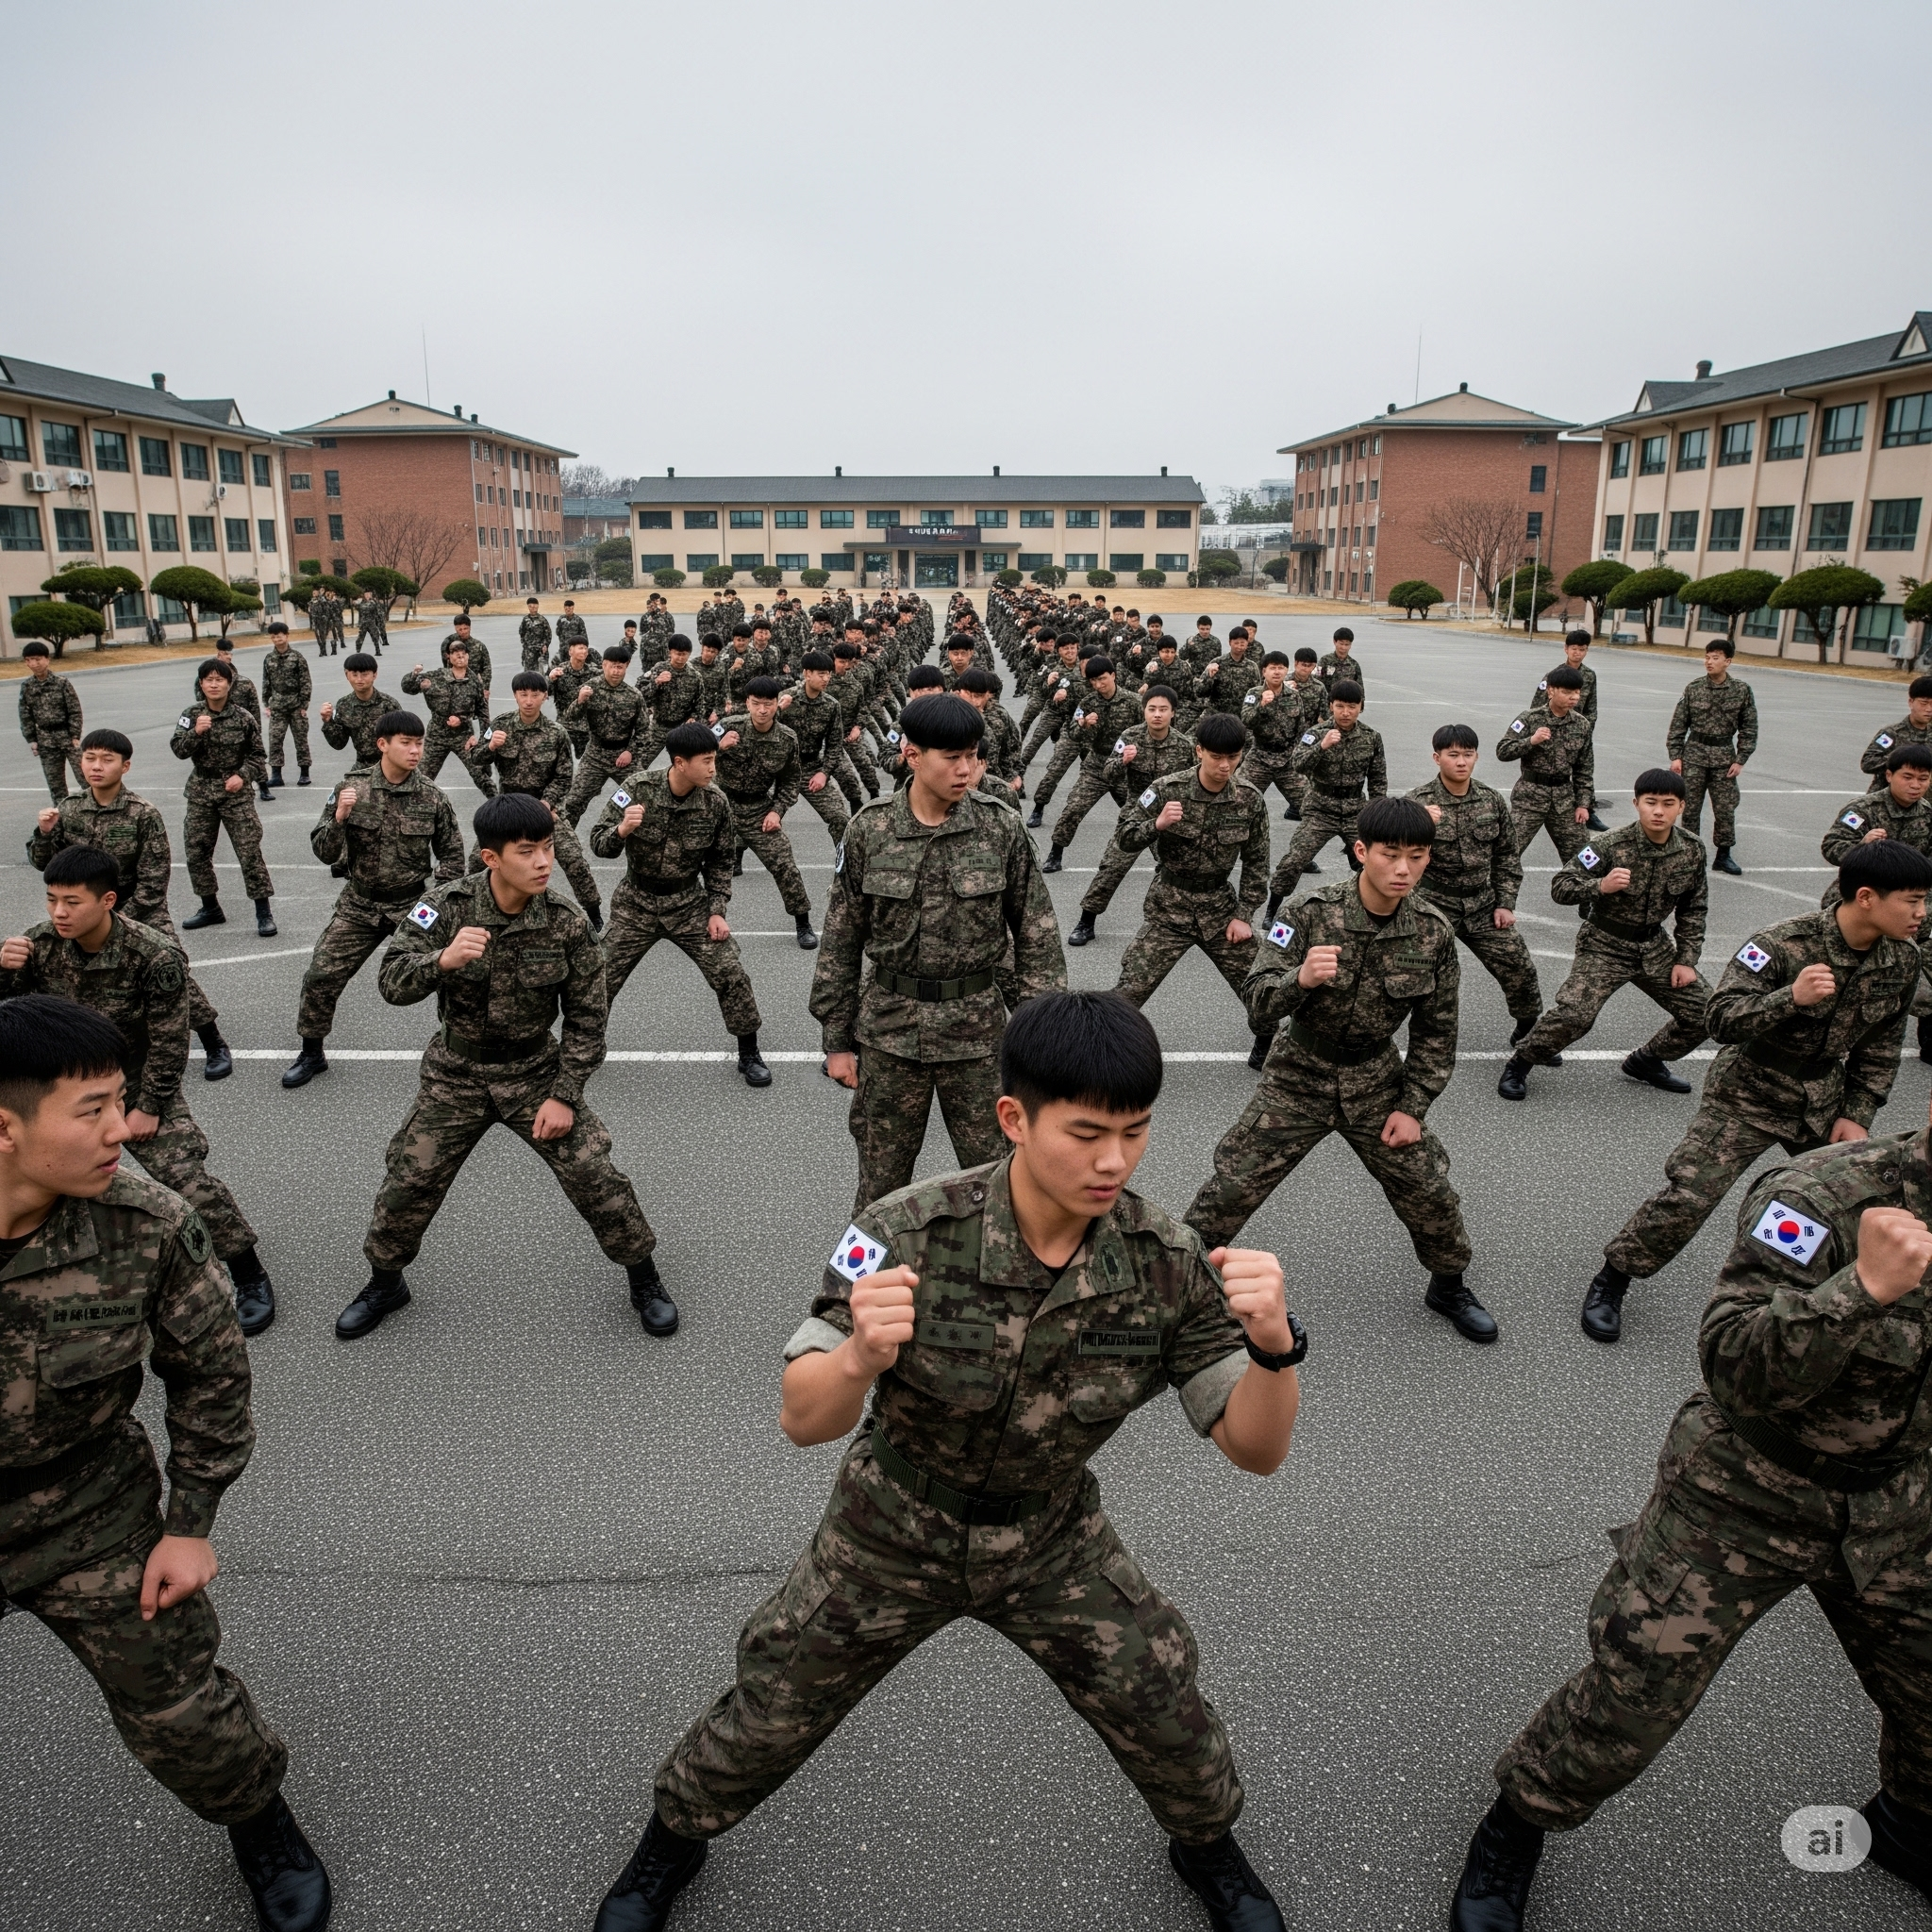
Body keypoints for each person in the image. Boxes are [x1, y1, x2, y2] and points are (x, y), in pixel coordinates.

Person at [593, 991, 1303, 1932]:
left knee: (1162, 1703)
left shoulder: (1163, 1259)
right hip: (891, 1523)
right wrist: (856, 1358)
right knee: (770, 1705)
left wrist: (1272, 1347)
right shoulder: (897, 1230)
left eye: (1133, 1133)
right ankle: (673, 1836)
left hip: (1049, 1533)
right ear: (1012, 1117)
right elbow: (802, 1417)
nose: (1111, 1161)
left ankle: (1204, 1843)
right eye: (1085, 1132)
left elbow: (1253, 1448)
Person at [1452, 1110, 1932, 1930]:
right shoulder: (1824, 1195)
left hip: (1897, 1505)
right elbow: (1732, 1361)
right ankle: (1517, 1822)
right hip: (1746, 1493)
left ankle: (1908, 1828)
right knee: (1632, 1695)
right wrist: (1863, 1290)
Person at [0, 995, 331, 1929]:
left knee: (183, 1710)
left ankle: (256, 1819)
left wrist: (189, 1523)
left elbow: (213, 1374)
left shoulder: (145, 1221)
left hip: (87, 1512)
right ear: (7, 1128)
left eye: (120, 1101)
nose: (122, 1126)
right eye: (92, 1109)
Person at [337, 793, 674, 1341]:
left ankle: (644, 1276)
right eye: (528, 852)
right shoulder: (442, 908)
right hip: (455, 1076)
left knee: (596, 1176)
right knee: (408, 1175)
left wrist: (564, 1094)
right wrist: (440, 961)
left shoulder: (565, 922)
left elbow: (589, 1020)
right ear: (492, 859)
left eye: (547, 848)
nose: (544, 862)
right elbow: (389, 981)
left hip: (536, 1075)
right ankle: (385, 1280)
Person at [1583, 839, 1930, 1344]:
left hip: (1822, 1098)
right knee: (1691, 1195)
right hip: (1747, 1092)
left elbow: (1881, 1046)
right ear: (1866, 897)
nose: (1922, 913)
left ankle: (1832, 1307)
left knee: (1852, 1205)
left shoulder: (1902, 959)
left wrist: (1858, 1111)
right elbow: (1719, 1018)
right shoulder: (1782, 944)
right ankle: (1614, 1276)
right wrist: (1788, 997)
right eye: (1913, 900)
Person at [1186, 796, 1497, 1343]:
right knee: (1229, 1187)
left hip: (1376, 1079)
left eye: (1417, 856)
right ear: (1360, 852)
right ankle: (1177, 1287)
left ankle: (1448, 1284)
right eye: (1390, 854)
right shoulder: (1306, 914)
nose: (1403, 869)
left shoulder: (1432, 933)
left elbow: (1436, 1034)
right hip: (1298, 1074)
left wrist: (1412, 1106)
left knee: (1429, 1191)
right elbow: (1258, 1000)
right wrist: (1298, 981)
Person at [812, 693, 1066, 1214]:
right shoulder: (869, 828)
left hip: (976, 1036)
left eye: (972, 755)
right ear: (912, 755)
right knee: (879, 1188)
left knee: (1001, 1182)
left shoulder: (1000, 827)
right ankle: (857, 1290)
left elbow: (1037, 937)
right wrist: (835, 1040)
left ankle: (1003, 1289)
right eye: (952, 757)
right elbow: (842, 938)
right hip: (888, 1035)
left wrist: (1042, 1039)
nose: (966, 769)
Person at [2, 847, 273, 1329]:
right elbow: (12, 1023)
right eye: (51, 900)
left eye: (72, 902)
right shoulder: (37, 945)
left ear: (107, 901)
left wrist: (148, 1106)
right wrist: (2, 972)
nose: (59, 913)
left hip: (135, 1078)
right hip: (57, 1084)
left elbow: (171, 1037)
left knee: (184, 1177)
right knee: (33, 1175)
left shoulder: (153, 954)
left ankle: (247, 1270)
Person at [1496, 770, 1709, 1108]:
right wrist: (1600, 886)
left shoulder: (1692, 850)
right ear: (1636, 802)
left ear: (1681, 806)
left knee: (1707, 1013)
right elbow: (1561, 885)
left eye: (1668, 804)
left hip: (1655, 947)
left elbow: (1694, 908)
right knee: (1575, 1015)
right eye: (1650, 802)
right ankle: (1520, 1064)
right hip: (1605, 943)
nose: (1658, 811)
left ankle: (1647, 1061)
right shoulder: (1609, 845)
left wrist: (1686, 960)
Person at [29, 727, 231, 1078]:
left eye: (107, 760)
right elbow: (46, 863)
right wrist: (44, 834)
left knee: (172, 969)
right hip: (85, 908)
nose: (96, 766)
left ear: (125, 767)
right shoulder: (69, 809)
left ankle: (213, 1041)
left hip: (139, 908)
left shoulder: (142, 813)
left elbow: (155, 878)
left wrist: (118, 920)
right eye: (90, 758)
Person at [281, 709, 465, 1092]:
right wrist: (340, 817)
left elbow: (451, 856)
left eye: (419, 744)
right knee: (321, 974)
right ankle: (311, 1052)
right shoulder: (351, 788)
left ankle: (459, 1056)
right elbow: (324, 852)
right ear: (382, 745)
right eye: (406, 743)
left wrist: (438, 906)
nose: (415, 751)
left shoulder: (431, 797)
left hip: (413, 905)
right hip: (359, 904)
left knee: (455, 976)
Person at [590, 724, 769, 1088]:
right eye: (706, 761)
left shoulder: (715, 802)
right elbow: (598, 843)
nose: (713, 769)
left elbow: (720, 861)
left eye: (714, 760)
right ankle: (584, 1047)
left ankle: (748, 1052)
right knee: (597, 978)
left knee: (730, 972)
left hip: (689, 904)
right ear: (679, 762)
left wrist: (717, 910)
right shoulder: (636, 789)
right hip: (635, 906)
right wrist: (622, 831)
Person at [1109, 712, 1275, 1066]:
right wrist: (1156, 825)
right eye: (1217, 757)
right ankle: (1103, 1054)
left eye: (1233, 757)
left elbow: (1258, 862)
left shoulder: (1249, 799)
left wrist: (1244, 916)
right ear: (1199, 751)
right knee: (1129, 991)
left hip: (1221, 911)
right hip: (1170, 909)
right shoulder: (1166, 789)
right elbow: (1123, 838)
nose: (1226, 766)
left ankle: (1267, 1041)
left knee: (1263, 991)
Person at [1410, 724, 1542, 1049]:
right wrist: (1419, 827)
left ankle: (1528, 1031)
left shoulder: (1491, 800)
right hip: (1432, 904)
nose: (1461, 762)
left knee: (1519, 968)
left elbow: (1507, 856)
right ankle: (1421, 1040)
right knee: (1418, 976)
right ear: (1436, 758)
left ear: (1476, 757)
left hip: (1482, 903)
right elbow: (1394, 858)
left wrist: (1505, 903)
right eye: (1453, 755)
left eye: (1467, 755)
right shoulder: (1417, 803)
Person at [1820, 743, 1932, 1060]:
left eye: (1922, 779)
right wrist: (1860, 847)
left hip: (1908, 907)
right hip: (1860, 906)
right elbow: (1831, 846)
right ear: (1888, 775)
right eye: (1907, 777)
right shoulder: (1864, 810)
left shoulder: (1928, 816)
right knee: (1843, 971)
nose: (1914, 785)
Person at [1067, 686, 1197, 947]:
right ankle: (1086, 921)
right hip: (1135, 812)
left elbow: (1193, 783)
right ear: (1144, 711)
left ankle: (1180, 922)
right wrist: (1122, 762)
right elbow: (1107, 774)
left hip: (1169, 814)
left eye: (1163, 710)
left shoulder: (1184, 746)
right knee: (1113, 866)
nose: (1157, 715)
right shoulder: (1129, 736)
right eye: (1152, 709)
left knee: (1179, 868)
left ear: (1173, 713)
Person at [481, 671, 602, 926]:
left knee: (575, 862)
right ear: (515, 695)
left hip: (545, 807)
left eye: (535, 695)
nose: (528, 700)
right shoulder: (499, 726)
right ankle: (473, 912)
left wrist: (546, 803)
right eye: (523, 694)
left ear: (544, 697)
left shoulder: (556, 733)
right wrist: (490, 747)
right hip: (509, 808)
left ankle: (594, 915)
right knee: (479, 860)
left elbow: (563, 777)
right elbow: (476, 759)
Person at [171, 659, 275, 937]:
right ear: (201, 684)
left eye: (220, 679)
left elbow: (258, 757)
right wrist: (196, 732)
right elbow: (179, 750)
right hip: (201, 791)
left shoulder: (243, 717)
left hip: (235, 794)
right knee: (197, 851)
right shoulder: (191, 714)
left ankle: (263, 912)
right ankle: (210, 908)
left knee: (249, 851)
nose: (214, 684)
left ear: (229, 684)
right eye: (209, 680)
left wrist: (242, 775)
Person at [712, 677, 819, 949]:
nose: (762, 710)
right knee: (685, 861)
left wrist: (777, 811)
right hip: (718, 804)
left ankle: (802, 922)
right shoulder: (727, 726)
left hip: (758, 807)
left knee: (784, 863)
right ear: (747, 703)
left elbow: (790, 781)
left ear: (776, 705)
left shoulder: (786, 738)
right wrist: (718, 748)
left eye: (768, 704)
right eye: (756, 704)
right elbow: (690, 755)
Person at [1265, 678, 1383, 916]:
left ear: (1361, 706)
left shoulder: (1371, 737)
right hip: (1320, 810)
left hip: (1355, 812)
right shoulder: (1317, 733)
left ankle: (1372, 911)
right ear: (1330, 705)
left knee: (1374, 863)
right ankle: (1272, 911)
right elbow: (1297, 765)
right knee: (1293, 862)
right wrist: (1322, 746)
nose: (1346, 712)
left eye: (1352, 706)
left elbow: (1378, 780)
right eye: (1340, 706)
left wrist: (1377, 815)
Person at [1041, 657, 1145, 872]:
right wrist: (1083, 724)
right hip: (1096, 767)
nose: (1098, 685)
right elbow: (1071, 732)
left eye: (1102, 679)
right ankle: (1055, 854)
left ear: (1113, 675)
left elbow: (1145, 733)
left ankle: (1163, 861)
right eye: (1093, 681)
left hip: (1124, 769)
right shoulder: (1088, 703)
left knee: (1142, 814)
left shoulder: (1134, 701)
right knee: (1073, 809)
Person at [1668, 638, 1757, 874]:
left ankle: (1724, 855)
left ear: (1727, 661)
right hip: (1694, 755)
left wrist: (1741, 759)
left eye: (1715, 658)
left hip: (1724, 759)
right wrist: (1676, 756)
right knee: (1690, 809)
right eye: (1707, 657)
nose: (1709, 662)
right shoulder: (1694, 688)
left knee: (1726, 808)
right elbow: (1678, 724)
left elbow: (1749, 727)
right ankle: (1689, 856)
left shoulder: (1741, 691)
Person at [1495, 665, 1594, 863]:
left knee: (1584, 860)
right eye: (1567, 692)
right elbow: (1503, 750)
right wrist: (1531, 741)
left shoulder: (1582, 724)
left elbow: (1584, 768)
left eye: (1577, 692)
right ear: (1551, 691)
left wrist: (1584, 804)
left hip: (1564, 800)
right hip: (1530, 798)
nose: (1574, 697)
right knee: (1505, 855)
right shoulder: (1529, 718)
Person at [561, 647, 649, 826]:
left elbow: (644, 730)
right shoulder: (590, 688)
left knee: (645, 797)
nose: (616, 671)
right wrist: (580, 701)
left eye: (620, 667)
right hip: (595, 755)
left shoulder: (634, 696)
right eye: (612, 666)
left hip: (623, 756)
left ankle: (641, 840)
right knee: (573, 801)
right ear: (603, 665)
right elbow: (569, 717)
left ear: (627, 666)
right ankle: (560, 842)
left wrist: (630, 752)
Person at [1531, 628, 1605, 829]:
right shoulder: (1553, 675)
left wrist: (1587, 729)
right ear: (1566, 649)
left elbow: (1592, 706)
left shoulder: (1589, 675)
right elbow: (1537, 707)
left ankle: (1588, 811)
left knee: (1583, 769)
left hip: (1577, 731)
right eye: (1574, 649)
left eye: (1582, 649)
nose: (1577, 653)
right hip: (1554, 730)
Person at [401, 641, 492, 794]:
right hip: (437, 735)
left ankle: (500, 808)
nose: (460, 656)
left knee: (481, 776)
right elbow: (407, 687)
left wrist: (483, 742)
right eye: (455, 653)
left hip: (463, 736)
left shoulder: (475, 682)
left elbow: (483, 714)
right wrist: (414, 675)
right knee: (422, 777)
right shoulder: (436, 677)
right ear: (448, 657)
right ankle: (408, 810)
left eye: (463, 653)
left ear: (468, 656)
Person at [17, 639, 85, 801]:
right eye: (29, 660)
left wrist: (75, 735)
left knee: (85, 777)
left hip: (67, 736)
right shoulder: (27, 686)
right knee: (56, 785)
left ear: (47, 659)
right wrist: (32, 739)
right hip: (45, 740)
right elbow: (25, 714)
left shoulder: (61, 683)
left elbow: (74, 710)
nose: (34, 663)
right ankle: (60, 819)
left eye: (38, 659)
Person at [318, 653, 399, 771]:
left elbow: (402, 740)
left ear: (374, 675)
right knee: (343, 789)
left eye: (365, 674)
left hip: (389, 764)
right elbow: (338, 744)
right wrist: (328, 721)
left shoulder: (389, 704)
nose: (359, 680)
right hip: (362, 766)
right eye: (354, 675)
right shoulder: (344, 704)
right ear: (347, 675)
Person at [260, 621, 314, 790]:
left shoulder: (297, 657)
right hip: (277, 706)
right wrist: (266, 703)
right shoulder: (269, 659)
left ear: (287, 636)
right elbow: (266, 682)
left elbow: (305, 682)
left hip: (296, 705)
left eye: (280, 635)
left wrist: (304, 704)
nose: (277, 639)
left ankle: (304, 773)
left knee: (301, 739)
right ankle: (276, 775)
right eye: (274, 636)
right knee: (275, 740)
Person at [1858, 674, 1932, 788]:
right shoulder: (1891, 734)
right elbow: (1867, 763)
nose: (1929, 709)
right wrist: (1900, 759)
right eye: (1924, 703)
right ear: (1911, 702)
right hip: (1890, 800)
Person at [439, 612, 491, 695]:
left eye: (465, 628)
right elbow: (446, 666)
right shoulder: (448, 643)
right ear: (455, 628)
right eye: (460, 629)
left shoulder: (479, 646)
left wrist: (485, 688)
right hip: (455, 688)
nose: (463, 632)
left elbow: (486, 668)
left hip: (474, 687)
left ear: (470, 627)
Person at [1317, 625, 1362, 697]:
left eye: (1346, 644)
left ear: (1350, 645)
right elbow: (1317, 683)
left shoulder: (1354, 665)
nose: (1343, 647)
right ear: (1335, 642)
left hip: (1347, 703)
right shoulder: (1325, 661)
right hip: (1329, 703)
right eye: (1341, 644)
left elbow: (1360, 689)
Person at [520, 595, 554, 673]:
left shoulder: (542, 620)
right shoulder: (525, 620)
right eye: (530, 606)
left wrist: (545, 645)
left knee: (541, 673)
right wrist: (525, 645)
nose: (533, 608)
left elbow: (548, 634)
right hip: (528, 651)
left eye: (534, 606)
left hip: (540, 650)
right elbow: (522, 633)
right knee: (528, 673)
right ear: (528, 607)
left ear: (538, 606)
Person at [354, 587, 388, 655]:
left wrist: (379, 623)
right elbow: (356, 606)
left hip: (371, 623)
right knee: (360, 638)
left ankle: (378, 651)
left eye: (368, 594)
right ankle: (358, 651)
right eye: (366, 594)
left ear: (371, 595)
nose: (367, 596)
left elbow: (378, 612)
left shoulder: (373, 603)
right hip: (363, 623)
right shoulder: (361, 603)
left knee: (375, 637)